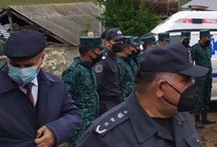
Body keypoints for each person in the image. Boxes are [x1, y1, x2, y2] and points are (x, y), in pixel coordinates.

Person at [78, 43, 207, 146]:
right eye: (185, 80)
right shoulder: (106, 138)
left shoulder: (181, 116)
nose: (192, 85)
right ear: (160, 88)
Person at [0, 29, 81, 146]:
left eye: (28, 65)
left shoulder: (55, 85)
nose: (22, 71)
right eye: (15, 65)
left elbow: (73, 114)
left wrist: (56, 131)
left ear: (42, 58)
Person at [62, 36, 104, 147]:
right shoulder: (74, 71)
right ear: (91, 52)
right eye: (99, 50)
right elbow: (63, 98)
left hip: (90, 122)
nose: (102, 52)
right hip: (78, 126)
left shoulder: (88, 69)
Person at [95, 28, 125, 116]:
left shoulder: (115, 58)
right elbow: (97, 84)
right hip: (106, 103)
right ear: (107, 42)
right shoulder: (102, 60)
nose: (119, 43)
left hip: (117, 101)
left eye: (121, 40)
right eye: (116, 40)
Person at [191, 29, 216, 128]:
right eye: (208, 37)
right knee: (199, 98)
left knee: (207, 96)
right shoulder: (195, 48)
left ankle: (205, 118)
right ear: (202, 38)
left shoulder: (208, 47)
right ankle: (197, 120)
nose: (209, 39)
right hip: (200, 77)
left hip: (208, 76)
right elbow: (191, 62)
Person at [116, 36, 135, 103]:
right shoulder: (119, 63)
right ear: (125, 49)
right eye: (131, 47)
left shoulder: (126, 61)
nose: (133, 49)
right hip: (123, 100)